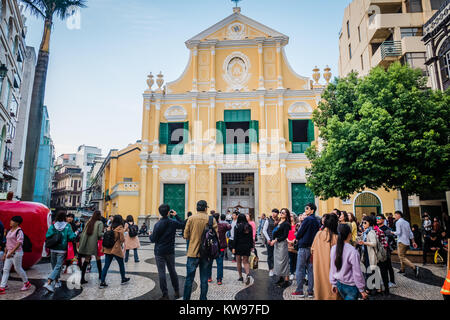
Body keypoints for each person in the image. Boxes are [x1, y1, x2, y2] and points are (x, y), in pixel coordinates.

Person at [183, 200, 218, 300]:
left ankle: (186, 299)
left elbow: (185, 235)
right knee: (204, 279)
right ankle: (203, 298)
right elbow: (216, 237)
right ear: (206, 208)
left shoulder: (191, 218)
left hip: (193, 253)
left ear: (196, 208)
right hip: (206, 254)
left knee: (189, 279)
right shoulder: (211, 219)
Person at [150, 205, 184, 300]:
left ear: (160, 213)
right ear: (169, 212)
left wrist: (150, 235)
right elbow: (183, 224)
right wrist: (176, 215)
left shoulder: (157, 225)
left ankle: (165, 294)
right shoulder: (173, 222)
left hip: (159, 252)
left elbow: (153, 239)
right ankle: (176, 290)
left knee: (162, 273)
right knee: (172, 271)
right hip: (170, 251)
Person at [330, 224, 368, 300]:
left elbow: (333, 268)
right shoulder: (353, 251)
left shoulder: (334, 248)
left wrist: (333, 283)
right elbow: (357, 272)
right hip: (351, 286)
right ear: (350, 234)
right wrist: (361, 289)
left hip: (339, 283)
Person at [43, 211, 78, 292]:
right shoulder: (67, 226)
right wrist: (76, 233)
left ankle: (57, 281)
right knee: (58, 266)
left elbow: (47, 235)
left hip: (53, 248)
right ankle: (48, 283)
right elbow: (71, 237)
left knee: (54, 266)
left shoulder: (53, 225)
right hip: (62, 249)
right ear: (64, 217)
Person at [293, 203, 320, 297]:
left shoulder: (307, 219)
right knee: (310, 269)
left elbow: (299, 233)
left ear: (312, 210)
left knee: (300, 269)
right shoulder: (317, 220)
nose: (305, 210)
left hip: (304, 247)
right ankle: (310, 291)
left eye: (307, 208)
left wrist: (297, 235)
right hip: (312, 248)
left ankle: (299, 291)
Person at [309, 214, 339, 300]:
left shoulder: (318, 234)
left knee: (320, 287)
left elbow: (312, 250)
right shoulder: (335, 237)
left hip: (318, 266)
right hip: (331, 268)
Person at [0, 216, 32, 295]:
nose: (10, 222)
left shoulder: (19, 231)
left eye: (12, 221)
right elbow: (7, 243)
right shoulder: (10, 231)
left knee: (18, 268)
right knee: (5, 269)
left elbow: (19, 243)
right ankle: (2, 286)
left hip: (17, 253)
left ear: (17, 223)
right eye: (11, 221)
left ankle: (26, 283)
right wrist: (5, 253)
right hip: (9, 252)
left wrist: (11, 252)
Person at [99, 215, 130, 288]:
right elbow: (122, 240)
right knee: (121, 264)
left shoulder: (110, 227)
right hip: (116, 249)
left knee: (106, 266)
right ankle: (123, 278)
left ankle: (102, 282)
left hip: (108, 249)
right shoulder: (120, 228)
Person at [78, 210, 104, 284]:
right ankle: (100, 275)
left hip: (87, 243)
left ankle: (82, 278)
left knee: (86, 260)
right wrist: (104, 233)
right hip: (95, 244)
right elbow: (99, 234)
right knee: (98, 258)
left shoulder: (89, 222)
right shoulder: (100, 223)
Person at [393, 211, 420, 277]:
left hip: (401, 242)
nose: (395, 216)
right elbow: (410, 233)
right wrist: (413, 242)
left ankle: (414, 267)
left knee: (401, 257)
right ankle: (402, 269)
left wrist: (392, 232)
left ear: (399, 215)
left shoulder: (398, 222)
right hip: (407, 242)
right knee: (403, 256)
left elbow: (398, 233)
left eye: (395, 215)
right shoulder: (406, 222)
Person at [358, 215, 380, 296]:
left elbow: (374, 243)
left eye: (365, 222)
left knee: (370, 271)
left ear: (369, 223)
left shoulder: (371, 232)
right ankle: (377, 288)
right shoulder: (366, 231)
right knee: (372, 270)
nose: (363, 224)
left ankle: (369, 289)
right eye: (362, 222)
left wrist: (364, 243)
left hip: (371, 254)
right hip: (367, 253)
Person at [270, 208, 292, 288]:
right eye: (280, 212)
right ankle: (281, 278)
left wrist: (275, 240)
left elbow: (285, 236)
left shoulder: (286, 224)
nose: (281, 213)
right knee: (277, 262)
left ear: (286, 214)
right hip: (277, 244)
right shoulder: (279, 221)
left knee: (283, 262)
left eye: (283, 212)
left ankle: (286, 280)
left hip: (282, 244)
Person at [208, 213, 231, 285]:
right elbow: (229, 227)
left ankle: (209, 277)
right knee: (220, 263)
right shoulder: (222, 225)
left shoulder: (209, 227)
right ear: (218, 219)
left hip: (211, 247)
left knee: (209, 263)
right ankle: (219, 279)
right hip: (220, 247)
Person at [233, 214, 254, 285]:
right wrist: (251, 246)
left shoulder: (237, 226)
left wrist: (233, 247)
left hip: (238, 246)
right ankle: (247, 274)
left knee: (238, 262)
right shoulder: (249, 226)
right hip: (247, 246)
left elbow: (235, 238)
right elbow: (251, 238)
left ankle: (240, 276)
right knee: (246, 261)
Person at [376, 214, 397, 289]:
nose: (377, 219)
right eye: (376, 218)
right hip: (380, 250)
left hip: (386, 250)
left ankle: (392, 281)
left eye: (379, 218)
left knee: (389, 266)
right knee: (383, 267)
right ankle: (385, 280)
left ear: (383, 220)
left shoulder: (386, 229)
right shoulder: (377, 228)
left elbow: (390, 240)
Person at [262, 209, 279, 276]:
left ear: (277, 214)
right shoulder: (268, 220)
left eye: (275, 212)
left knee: (277, 255)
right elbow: (264, 230)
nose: (273, 213)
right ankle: (271, 269)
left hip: (277, 240)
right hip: (270, 240)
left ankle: (276, 269)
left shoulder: (279, 220)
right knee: (270, 255)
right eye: (273, 212)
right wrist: (268, 239)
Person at [287, 214, 299, 281]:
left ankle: (297, 273)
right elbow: (285, 234)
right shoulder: (288, 225)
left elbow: (298, 233)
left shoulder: (297, 225)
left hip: (295, 243)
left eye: (291, 216)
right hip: (288, 244)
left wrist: (294, 240)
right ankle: (291, 273)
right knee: (291, 259)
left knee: (297, 259)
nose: (290, 217)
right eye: (290, 216)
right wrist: (288, 240)